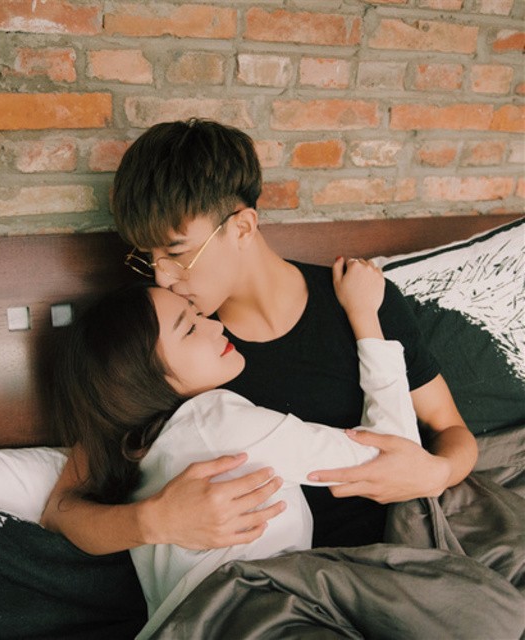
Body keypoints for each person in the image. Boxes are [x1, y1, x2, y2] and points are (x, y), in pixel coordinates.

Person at [41, 118, 477, 553]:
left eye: (176, 252)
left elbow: (450, 428)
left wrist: (437, 473)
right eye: (148, 258)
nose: (163, 276)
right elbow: (63, 509)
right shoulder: (169, 344)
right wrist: (157, 521)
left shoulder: (359, 298)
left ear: (243, 228)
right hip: (285, 578)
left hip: (405, 544)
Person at [50, 259, 421, 638]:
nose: (216, 325)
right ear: (142, 380)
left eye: (198, 314)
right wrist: (365, 316)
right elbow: (397, 457)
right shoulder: (219, 423)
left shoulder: (136, 453)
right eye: (190, 328)